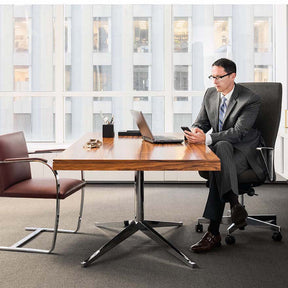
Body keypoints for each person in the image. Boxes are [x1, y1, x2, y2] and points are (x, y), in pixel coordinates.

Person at [184, 58, 266, 253]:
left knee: (219, 157)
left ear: (233, 76)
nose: (214, 81)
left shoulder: (250, 99)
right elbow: (201, 122)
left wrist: (206, 139)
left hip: (244, 152)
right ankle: (234, 202)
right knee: (221, 149)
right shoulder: (211, 94)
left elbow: (238, 133)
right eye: (212, 76)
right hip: (222, 151)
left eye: (219, 77)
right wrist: (195, 132)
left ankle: (213, 231)